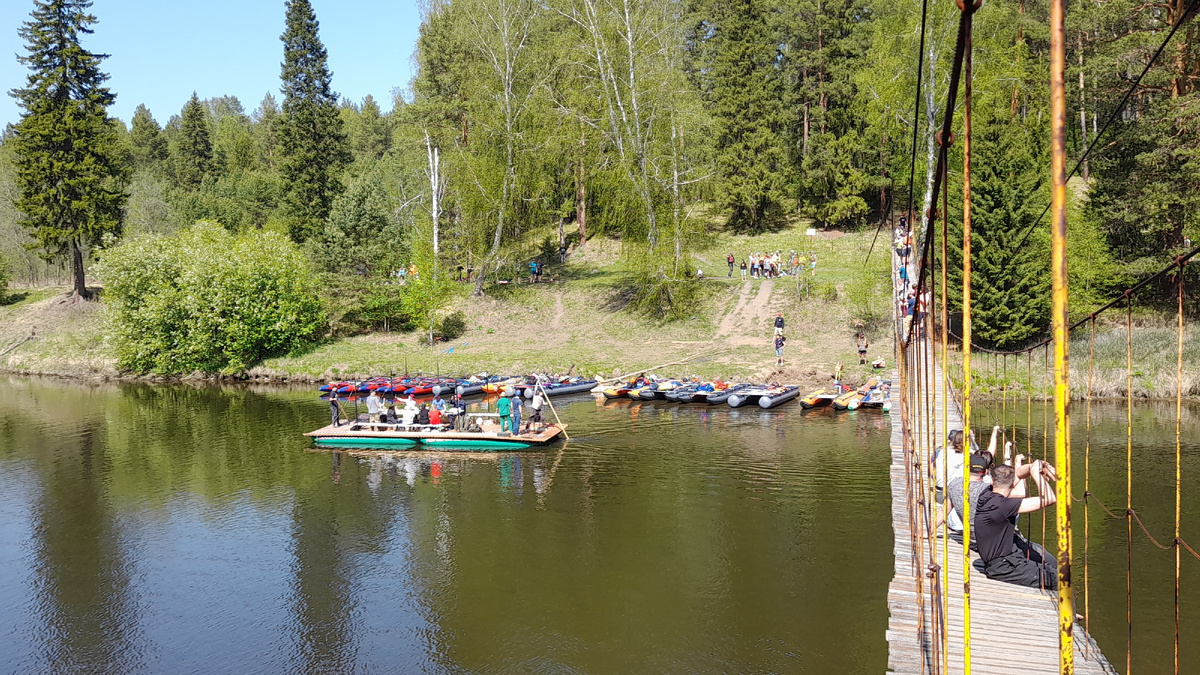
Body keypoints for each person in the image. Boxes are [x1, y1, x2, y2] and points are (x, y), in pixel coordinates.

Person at [976, 459, 1060, 590]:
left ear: (992, 481)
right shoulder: (1003, 506)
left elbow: (1019, 474)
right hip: (1003, 566)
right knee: (1060, 580)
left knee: (1050, 562)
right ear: (1012, 484)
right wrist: (1035, 473)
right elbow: (1050, 499)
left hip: (1008, 557)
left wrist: (1033, 466)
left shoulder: (986, 495)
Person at [932, 429, 966, 503]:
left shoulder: (942, 451)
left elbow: (931, 470)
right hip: (950, 494)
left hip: (939, 491)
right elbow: (985, 459)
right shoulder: (962, 456)